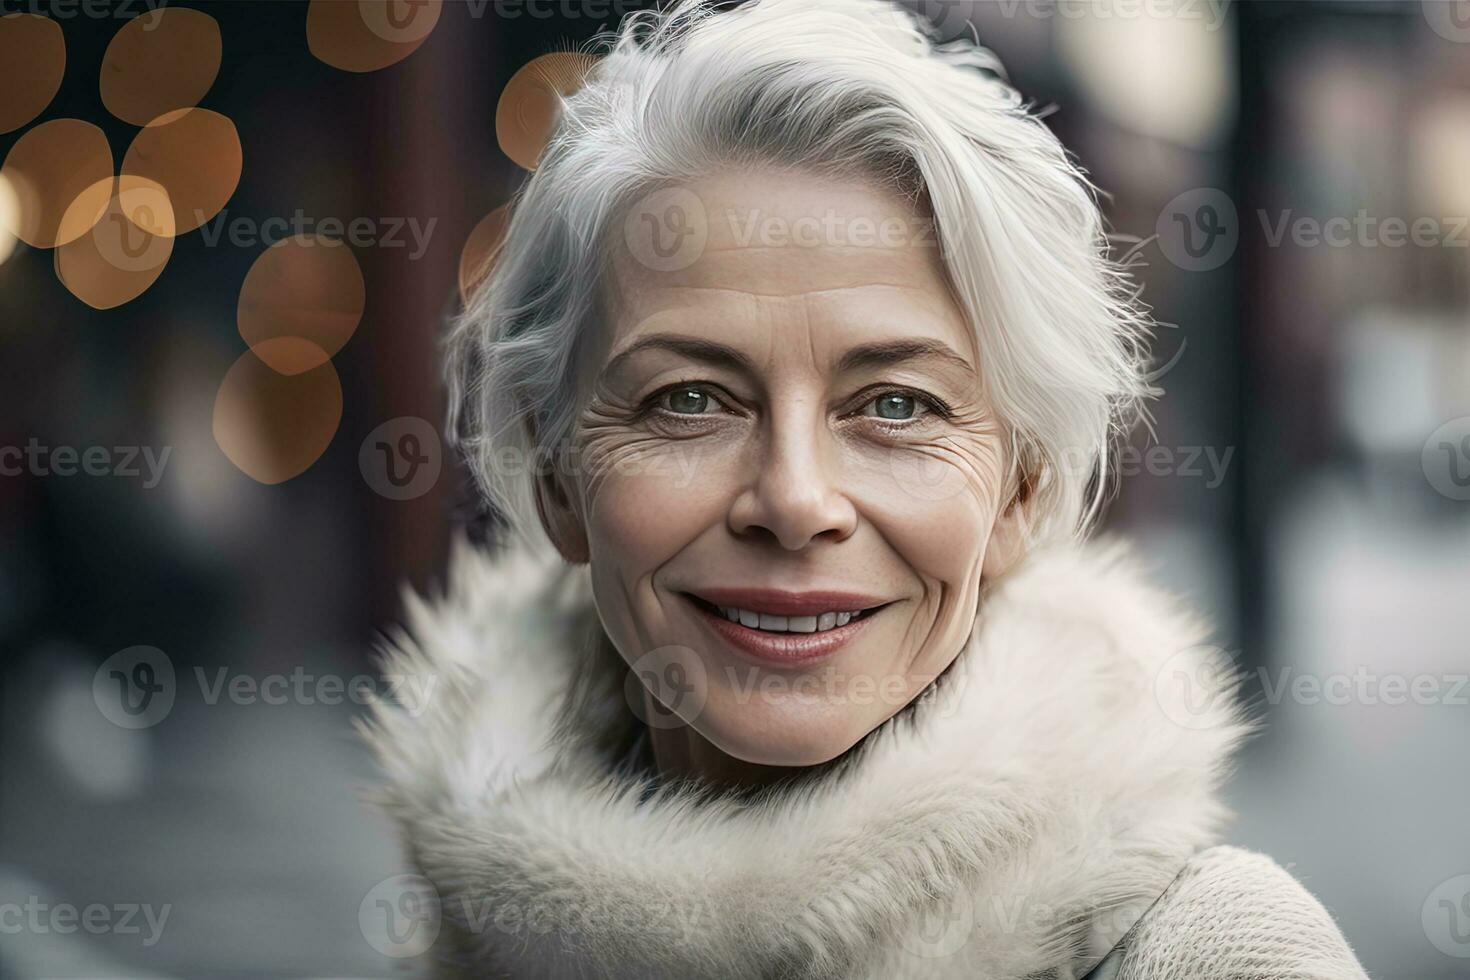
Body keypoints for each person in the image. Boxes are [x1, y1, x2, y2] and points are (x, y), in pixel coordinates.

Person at [363, 1, 1369, 975]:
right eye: (691, 399)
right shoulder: (468, 941)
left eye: (895, 406)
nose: (796, 500)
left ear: (1021, 487)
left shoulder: (1208, 953)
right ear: (555, 476)